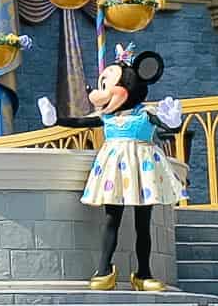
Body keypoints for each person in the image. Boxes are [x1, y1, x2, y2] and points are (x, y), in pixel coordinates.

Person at [39, 46, 185, 291]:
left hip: (142, 169)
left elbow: (167, 127)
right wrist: (56, 119)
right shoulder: (107, 117)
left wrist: (173, 122)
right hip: (114, 171)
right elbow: (80, 122)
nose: (99, 94)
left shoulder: (145, 114)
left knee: (143, 224)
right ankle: (104, 269)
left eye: (107, 86)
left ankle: (144, 273)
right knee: (111, 220)